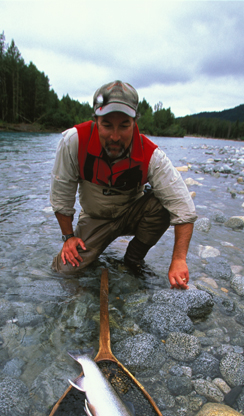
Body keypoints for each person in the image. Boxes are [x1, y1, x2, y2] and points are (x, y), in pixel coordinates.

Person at [50, 80, 197, 289]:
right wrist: (68, 237)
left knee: (163, 204)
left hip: (133, 214)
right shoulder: (73, 141)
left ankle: (133, 259)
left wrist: (179, 259)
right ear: (96, 121)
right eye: (107, 125)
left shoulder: (152, 156)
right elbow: (61, 196)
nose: (115, 136)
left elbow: (184, 209)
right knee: (62, 272)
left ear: (135, 123)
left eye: (124, 126)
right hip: (95, 218)